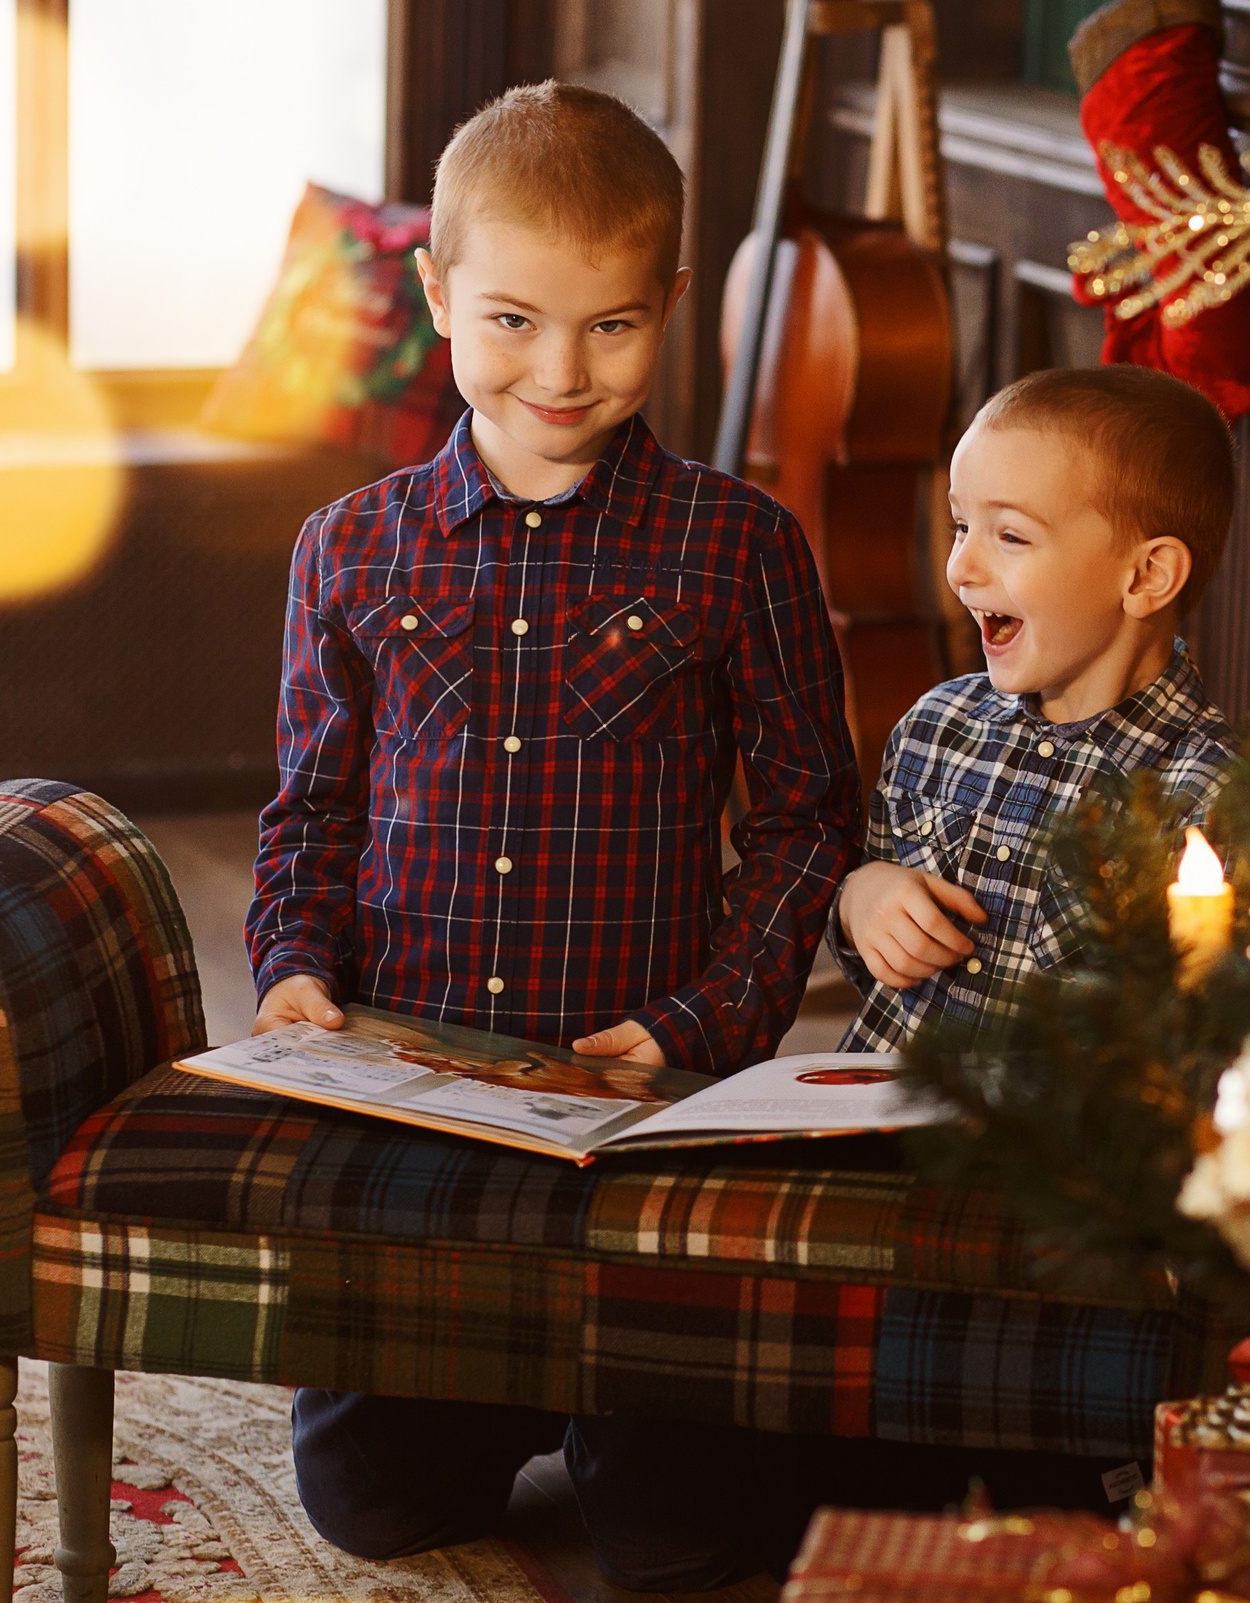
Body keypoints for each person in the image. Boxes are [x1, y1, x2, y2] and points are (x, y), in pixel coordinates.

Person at [245, 81, 860, 1588]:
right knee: (374, 1506)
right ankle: (503, 1392)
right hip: (416, 1092)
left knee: (689, 1541)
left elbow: (803, 824)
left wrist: (695, 1021)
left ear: (670, 305)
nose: (561, 371)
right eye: (512, 320)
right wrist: (297, 968)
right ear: (439, 292)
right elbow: (309, 811)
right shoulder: (351, 544)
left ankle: (632, 1407)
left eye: (610, 326)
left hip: (645, 1107)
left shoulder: (743, 545)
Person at [832, 364, 1236, 1052]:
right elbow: (871, 953)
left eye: (1010, 536)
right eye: (962, 525)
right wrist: (860, 899)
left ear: (1145, 576)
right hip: (867, 1124)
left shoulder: (1212, 796)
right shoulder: (937, 728)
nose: (961, 567)